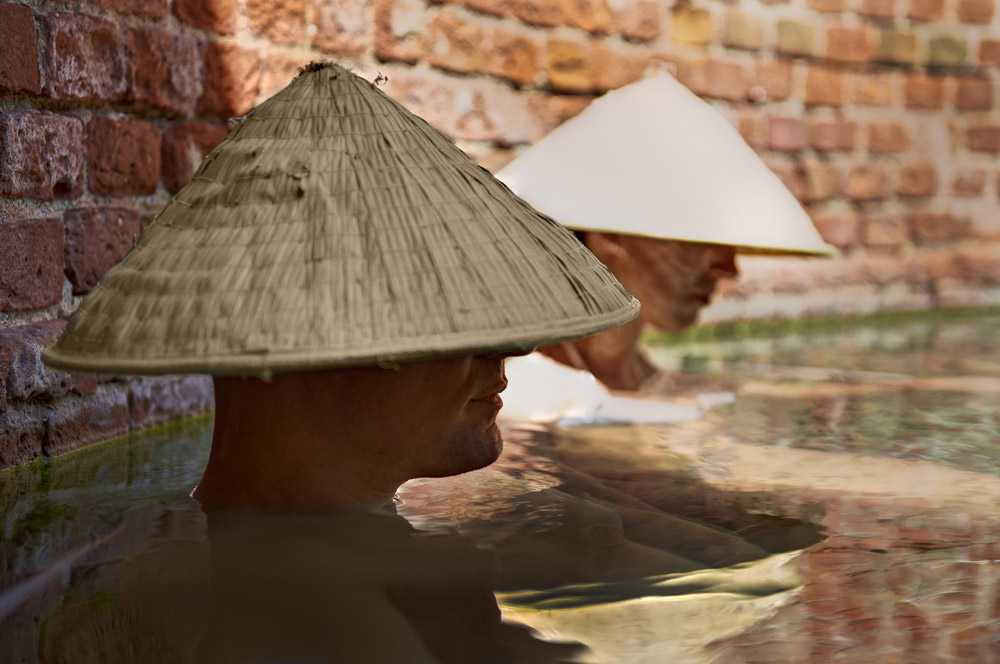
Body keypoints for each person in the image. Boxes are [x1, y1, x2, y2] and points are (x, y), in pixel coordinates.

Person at [37, 61, 639, 663]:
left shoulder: (147, 574)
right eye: (454, 314)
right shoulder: (323, 613)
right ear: (322, 341)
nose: (514, 346)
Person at [496, 72, 836, 422]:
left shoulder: (637, 373)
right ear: (610, 236)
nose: (729, 269)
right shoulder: (529, 388)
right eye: (700, 238)